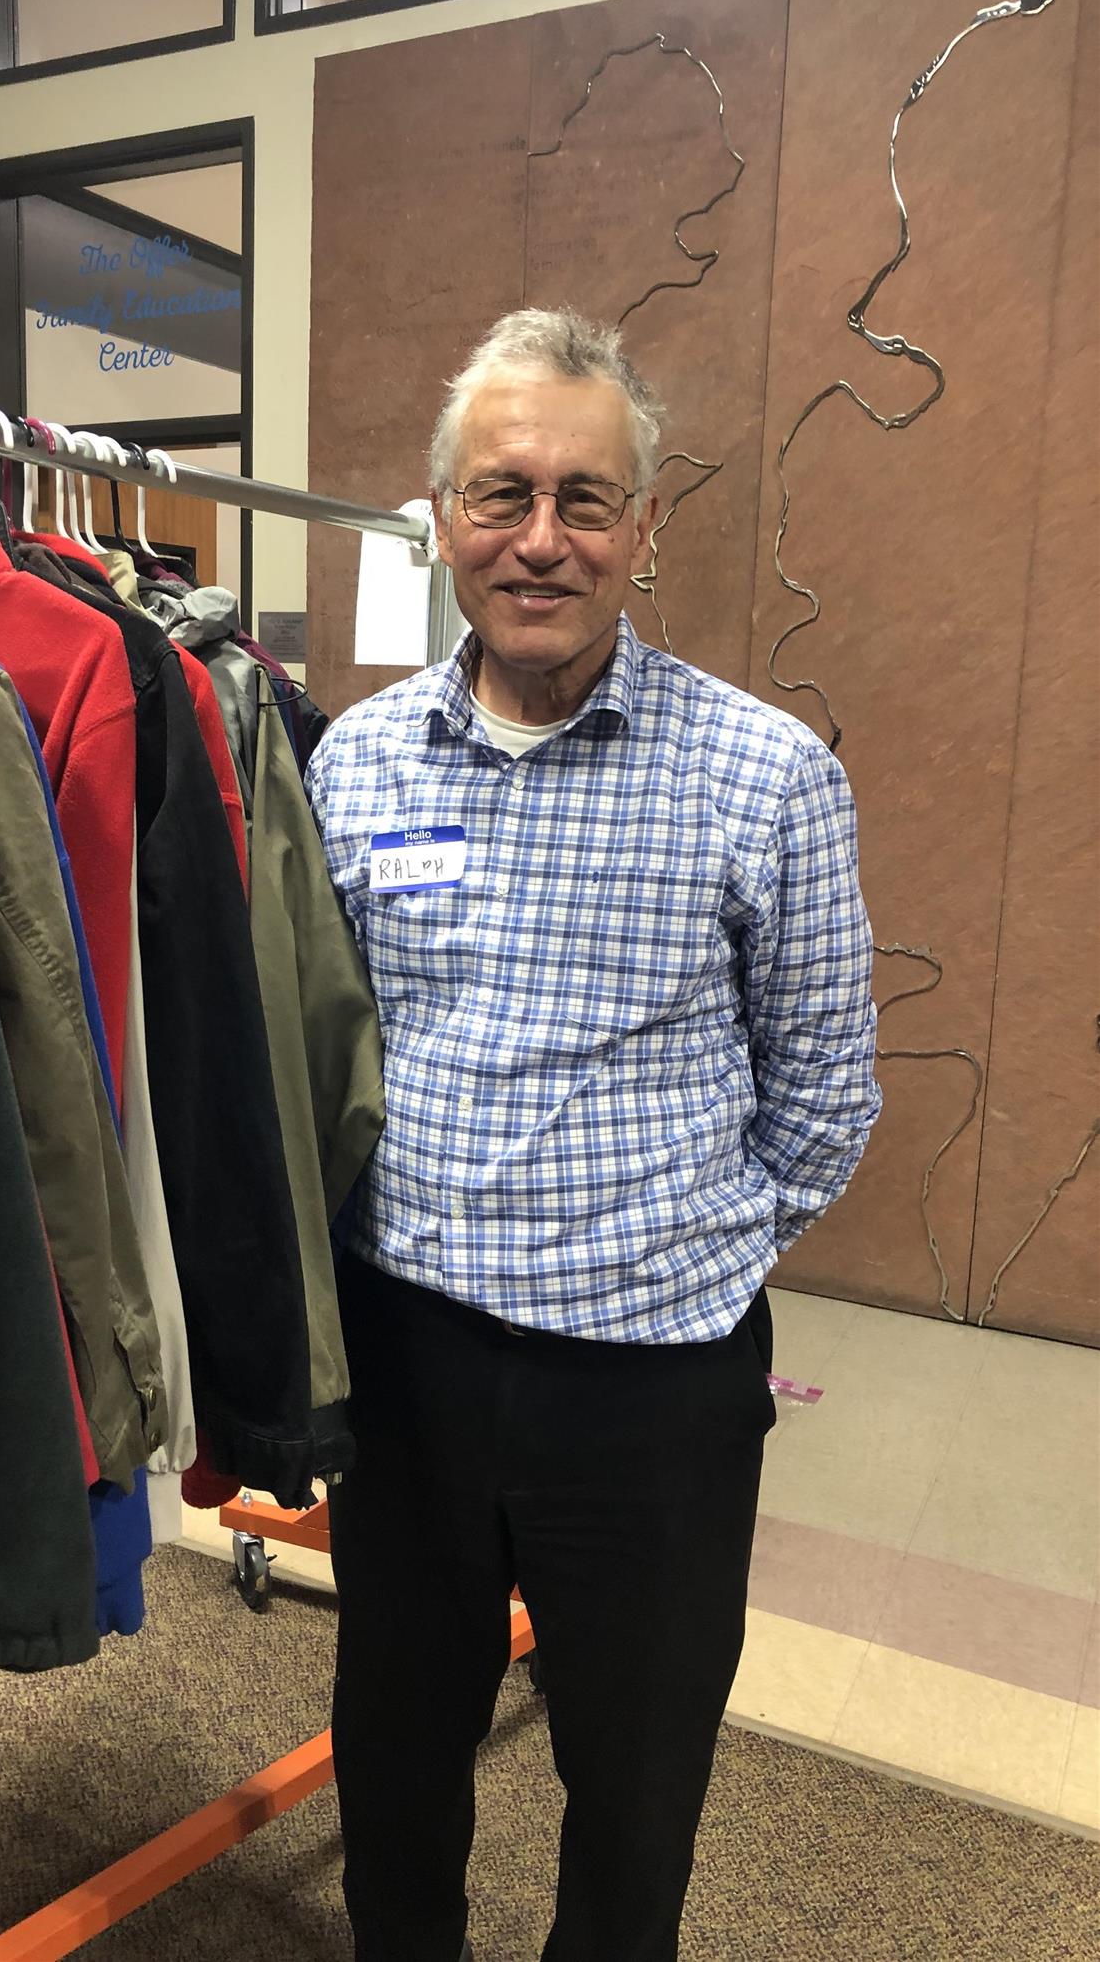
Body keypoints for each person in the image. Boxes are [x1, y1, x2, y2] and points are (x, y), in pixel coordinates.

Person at [304, 307, 881, 1962]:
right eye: (501, 495)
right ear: (440, 520)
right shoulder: (353, 763)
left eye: (583, 498)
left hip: (648, 1390)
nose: (539, 540)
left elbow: (827, 1089)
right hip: (406, 1362)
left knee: (631, 1790)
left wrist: (679, 1255)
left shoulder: (764, 776)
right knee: (394, 1753)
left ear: (644, 526)